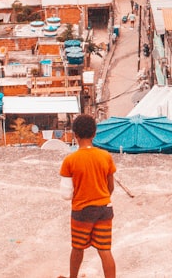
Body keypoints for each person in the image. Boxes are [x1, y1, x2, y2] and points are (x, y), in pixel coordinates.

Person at [59, 114, 116, 278]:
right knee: (105, 250)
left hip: (81, 211)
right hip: (105, 209)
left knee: (77, 248)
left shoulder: (70, 160)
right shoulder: (106, 156)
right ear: (94, 134)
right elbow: (110, 187)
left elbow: (66, 194)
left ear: (75, 134)